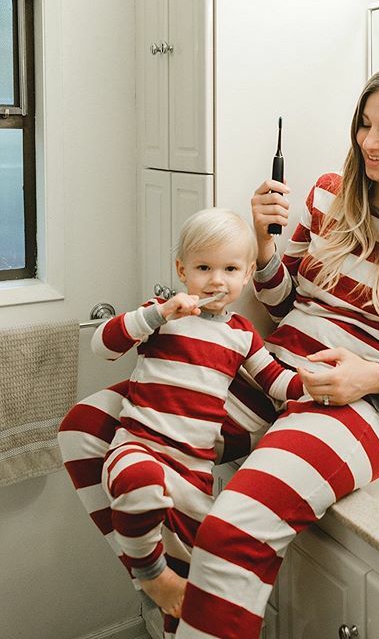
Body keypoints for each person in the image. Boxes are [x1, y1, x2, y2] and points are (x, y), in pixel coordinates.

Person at [59, 60, 379, 639]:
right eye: (365, 124)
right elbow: (287, 303)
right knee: (85, 427)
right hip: (274, 365)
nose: (370, 143)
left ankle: (192, 589)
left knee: (235, 528)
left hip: (365, 401)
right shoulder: (331, 196)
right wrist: (264, 249)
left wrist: (373, 378)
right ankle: (162, 579)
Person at [93, 208, 303, 618]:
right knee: (137, 480)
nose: (216, 280)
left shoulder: (241, 334)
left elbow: (277, 382)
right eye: (203, 267)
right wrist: (158, 313)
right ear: (181, 270)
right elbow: (103, 345)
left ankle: (171, 601)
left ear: (246, 277)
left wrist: (314, 386)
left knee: (189, 595)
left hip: (194, 473)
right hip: (139, 447)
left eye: (230, 269)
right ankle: (151, 573)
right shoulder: (162, 316)